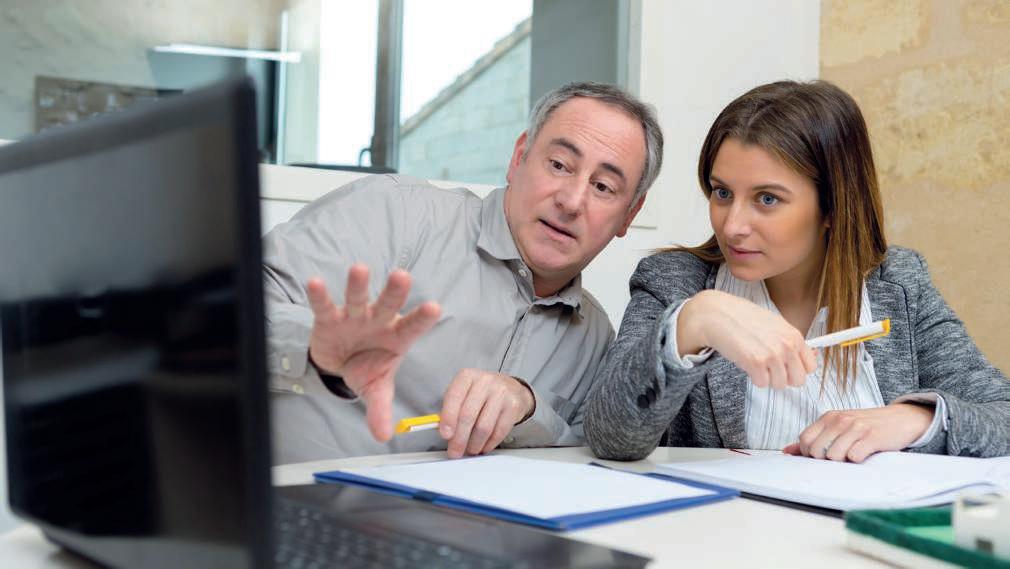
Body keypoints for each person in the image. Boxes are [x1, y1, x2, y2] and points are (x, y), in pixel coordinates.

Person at [585, 80, 1010, 463]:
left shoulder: (899, 285)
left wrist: (914, 419)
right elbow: (608, 435)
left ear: (832, 207)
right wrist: (694, 320)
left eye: (767, 199)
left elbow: (1001, 415)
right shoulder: (675, 282)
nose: (732, 226)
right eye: (722, 192)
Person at [264, 82, 664, 463]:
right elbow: (235, 305)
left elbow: (583, 461)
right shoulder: (400, 216)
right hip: (296, 500)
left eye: (603, 187)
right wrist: (314, 343)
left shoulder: (595, 340)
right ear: (519, 158)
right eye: (559, 165)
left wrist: (528, 408)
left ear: (629, 214)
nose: (572, 201)